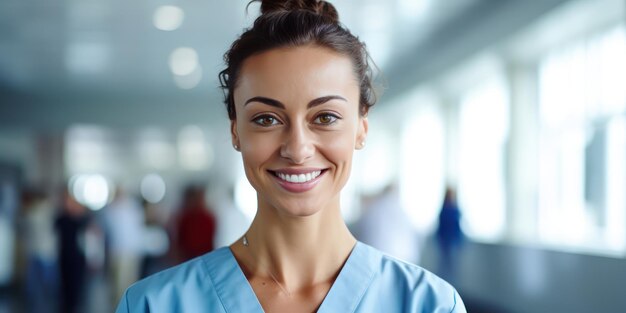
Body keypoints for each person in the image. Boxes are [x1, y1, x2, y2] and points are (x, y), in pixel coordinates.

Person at [116, 1, 466, 312]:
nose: (297, 149)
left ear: (361, 128)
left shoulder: (429, 305)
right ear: (236, 131)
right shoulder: (154, 305)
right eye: (266, 119)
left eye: (325, 117)